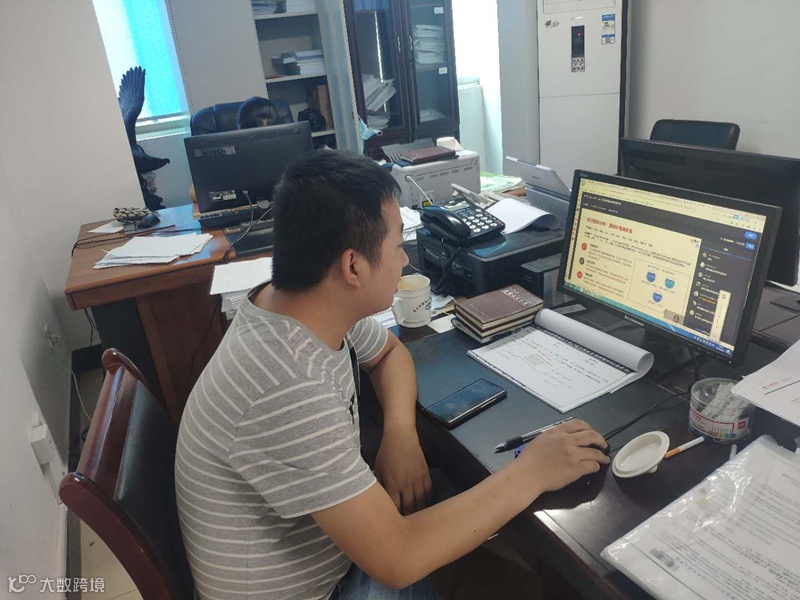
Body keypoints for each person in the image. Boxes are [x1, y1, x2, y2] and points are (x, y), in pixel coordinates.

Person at [175, 149, 610, 600]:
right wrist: (533, 470)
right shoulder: (289, 386)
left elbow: (388, 352)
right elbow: (399, 558)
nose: (405, 262)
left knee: (465, 501)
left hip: (331, 556)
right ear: (353, 267)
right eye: (399, 246)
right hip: (322, 589)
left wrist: (400, 432)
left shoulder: (296, 304)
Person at [189, 97, 279, 205]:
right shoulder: (226, 153)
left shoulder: (285, 150)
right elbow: (194, 193)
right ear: (240, 129)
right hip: (240, 210)